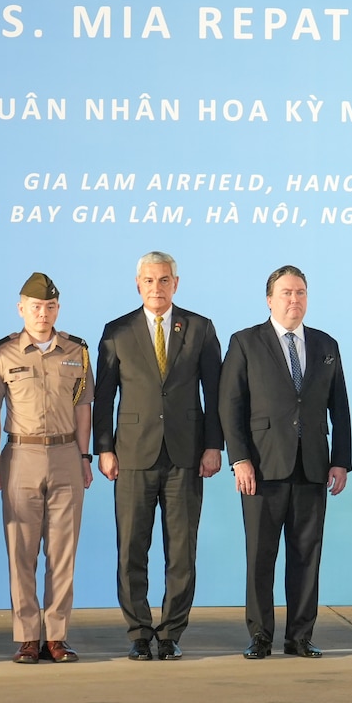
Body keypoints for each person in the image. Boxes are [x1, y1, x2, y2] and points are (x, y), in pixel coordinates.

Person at [92, 251, 223, 661]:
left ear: (176, 284)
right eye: (149, 281)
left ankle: (170, 633)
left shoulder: (200, 328)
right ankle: (138, 632)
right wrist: (105, 448)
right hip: (131, 455)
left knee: (181, 550)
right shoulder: (118, 330)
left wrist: (213, 445)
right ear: (138, 284)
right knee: (131, 548)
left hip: (186, 455)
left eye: (164, 280)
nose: (157, 288)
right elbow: (103, 396)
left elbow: (215, 393)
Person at [218, 265, 352, 659]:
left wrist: (340, 461)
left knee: (306, 555)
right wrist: (239, 458)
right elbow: (231, 406)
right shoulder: (245, 342)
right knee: (261, 554)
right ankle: (260, 635)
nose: (294, 300)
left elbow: (339, 408)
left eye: (301, 293)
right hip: (261, 468)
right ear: (269, 300)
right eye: (286, 293)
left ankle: (300, 637)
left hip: (312, 467)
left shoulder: (326, 344)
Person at [0, 272, 94, 665]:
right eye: (35, 306)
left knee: (63, 553)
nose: (43, 313)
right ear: (21, 309)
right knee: (22, 551)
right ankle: (29, 636)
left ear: (57, 309)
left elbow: (84, 407)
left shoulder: (77, 351)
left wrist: (85, 457)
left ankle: (57, 636)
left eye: (49, 306)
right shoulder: (3, 354)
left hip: (66, 454)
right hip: (21, 456)